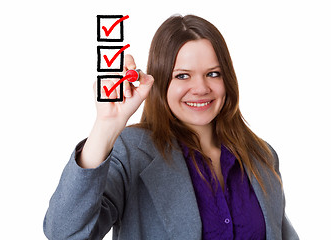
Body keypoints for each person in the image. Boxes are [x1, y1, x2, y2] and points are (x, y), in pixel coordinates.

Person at [43, 14, 299, 240]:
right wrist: (105, 127)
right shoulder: (132, 153)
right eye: (182, 75)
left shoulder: (262, 155)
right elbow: (65, 233)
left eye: (213, 73)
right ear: (162, 81)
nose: (201, 88)